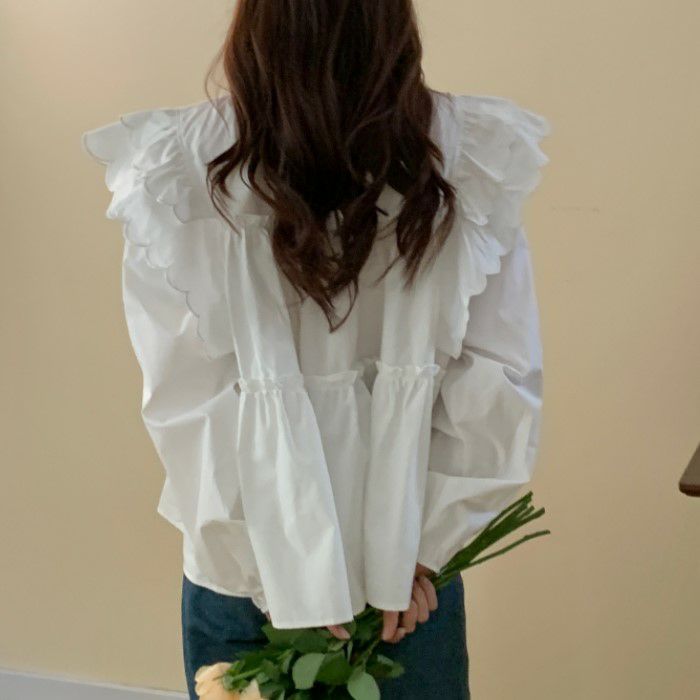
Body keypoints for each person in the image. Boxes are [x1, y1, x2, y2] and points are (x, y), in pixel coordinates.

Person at [81, 2, 550, 698]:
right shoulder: (465, 154)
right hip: (406, 589)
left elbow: (186, 402)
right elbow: (498, 380)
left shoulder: (176, 168)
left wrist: (291, 568)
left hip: (253, 575)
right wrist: (421, 552)